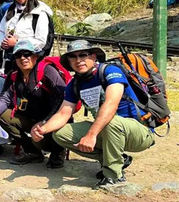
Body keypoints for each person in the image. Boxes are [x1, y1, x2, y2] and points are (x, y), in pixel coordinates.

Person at [36, 40, 155, 187]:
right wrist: (43, 129)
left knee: (111, 121)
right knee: (60, 134)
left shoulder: (110, 71)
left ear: (93, 57)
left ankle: (114, 176)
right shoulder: (75, 84)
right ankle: (115, 159)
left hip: (139, 132)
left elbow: (111, 105)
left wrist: (91, 135)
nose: (78, 60)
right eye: (73, 57)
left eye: (83, 55)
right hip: (107, 130)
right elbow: (63, 114)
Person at [0, 40, 67, 168]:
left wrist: (45, 122)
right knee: (2, 115)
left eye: (27, 54)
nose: (23, 58)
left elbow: (63, 98)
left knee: (40, 140)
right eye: (18, 55)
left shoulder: (47, 71)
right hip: (31, 119)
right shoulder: (14, 76)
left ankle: (58, 151)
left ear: (35, 56)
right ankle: (32, 152)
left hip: (53, 119)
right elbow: (5, 98)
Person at [0, 0, 53, 65]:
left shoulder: (39, 13)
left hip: (30, 59)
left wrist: (17, 43)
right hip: (10, 58)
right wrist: (3, 42)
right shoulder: (10, 11)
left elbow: (41, 41)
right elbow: (1, 30)